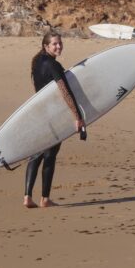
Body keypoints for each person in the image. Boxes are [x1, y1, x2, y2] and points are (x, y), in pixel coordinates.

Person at [24, 32, 85, 209]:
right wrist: (78, 117)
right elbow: (65, 92)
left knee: (36, 154)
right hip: (54, 114)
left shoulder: (37, 62)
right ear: (46, 46)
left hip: (40, 112)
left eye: (60, 43)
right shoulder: (54, 65)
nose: (58, 46)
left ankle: (27, 197)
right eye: (54, 44)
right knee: (50, 156)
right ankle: (45, 199)